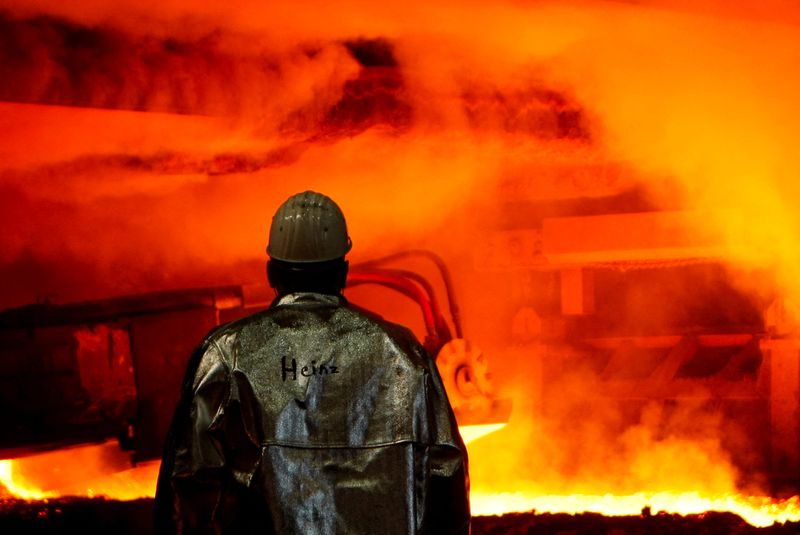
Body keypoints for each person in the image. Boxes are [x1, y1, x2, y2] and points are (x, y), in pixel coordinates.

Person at [154, 191, 470, 534]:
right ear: (344, 271)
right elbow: (445, 474)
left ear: (271, 271)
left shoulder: (227, 352)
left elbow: (187, 480)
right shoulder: (404, 352)